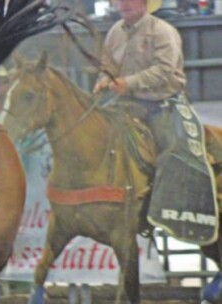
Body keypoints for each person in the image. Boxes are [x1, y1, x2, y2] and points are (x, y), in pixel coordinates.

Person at [92, 0, 217, 300]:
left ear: (145, 4)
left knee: (173, 151)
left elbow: (164, 71)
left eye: (131, 0)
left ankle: (164, 207)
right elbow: (106, 67)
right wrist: (102, 82)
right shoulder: (113, 34)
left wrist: (128, 82)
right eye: (120, 1)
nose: (124, 5)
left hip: (161, 104)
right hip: (126, 105)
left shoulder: (163, 31)